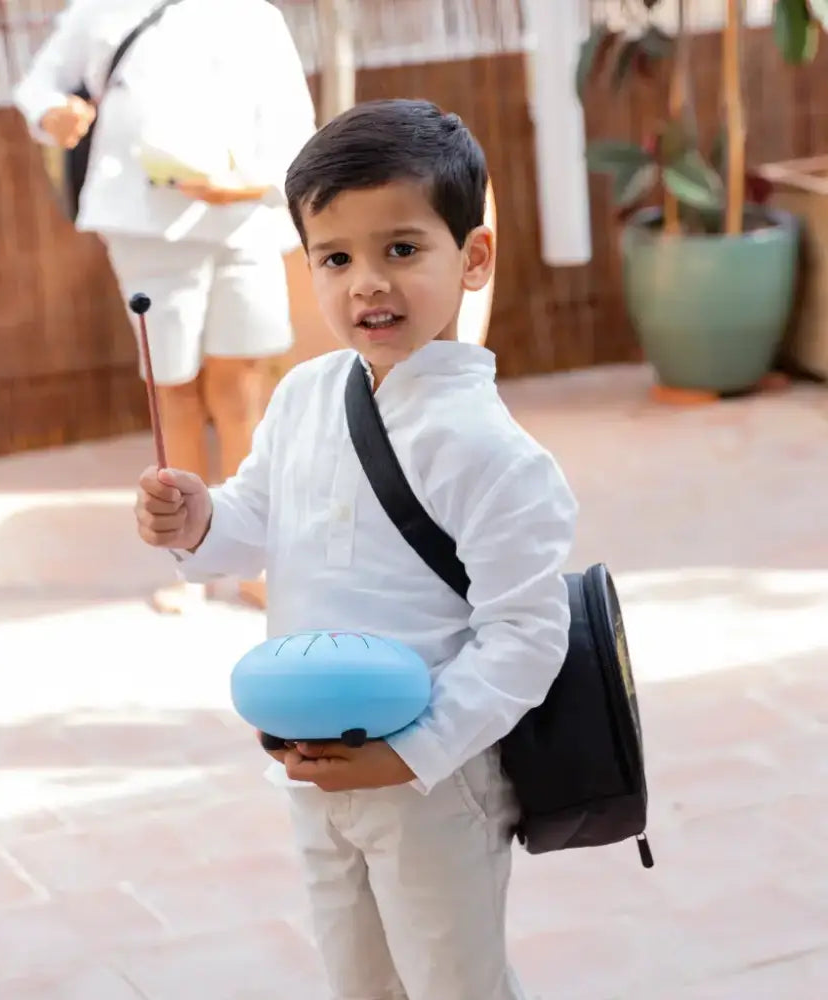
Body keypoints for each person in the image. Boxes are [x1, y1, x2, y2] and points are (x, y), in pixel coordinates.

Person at [134, 99, 578, 999]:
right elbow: (255, 519)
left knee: (456, 984)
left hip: (433, 782)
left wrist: (413, 753)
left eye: (402, 249)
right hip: (314, 772)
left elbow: (527, 634)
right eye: (336, 258)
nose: (366, 282)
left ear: (474, 258)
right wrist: (194, 521)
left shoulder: (496, 452)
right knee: (359, 984)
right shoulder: (304, 394)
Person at [14, 0, 316, 612]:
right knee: (172, 388)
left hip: (245, 219)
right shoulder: (99, 10)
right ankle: (192, 561)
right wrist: (54, 113)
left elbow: (292, 119)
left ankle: (254, 555)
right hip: (144, 225)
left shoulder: (255, 14)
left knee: (244, 386)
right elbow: (38, 84)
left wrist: (256, 183)